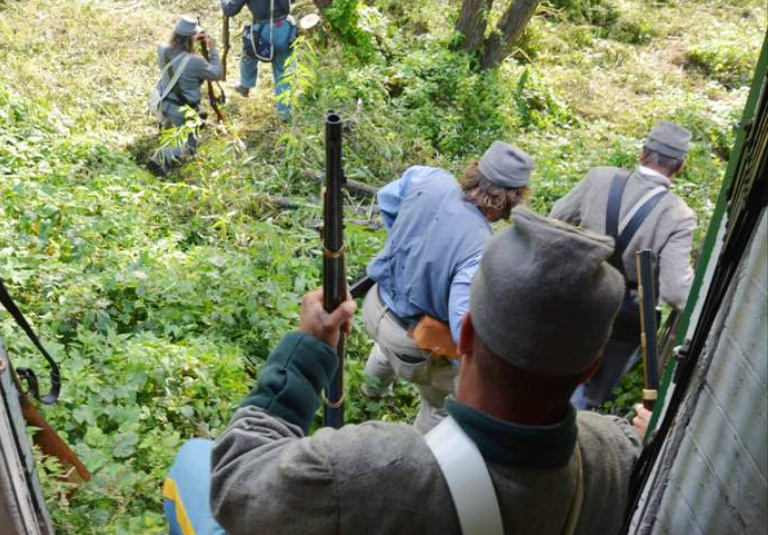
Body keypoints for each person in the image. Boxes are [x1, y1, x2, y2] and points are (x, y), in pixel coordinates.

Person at [162, 207, 644, 535]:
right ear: (590, 370)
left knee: (195, 460)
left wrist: (308, 349)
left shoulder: (366, 467)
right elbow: (628, 441)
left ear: (467, 333)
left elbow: (235, 482)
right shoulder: (619, 457)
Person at [361, 142, 533, 433]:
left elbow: (388, 200)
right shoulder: (479, 249)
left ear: (476, 170)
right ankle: (417, 455)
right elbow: (461, 330)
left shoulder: (427, 177)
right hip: (411, 341)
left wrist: (405, 247)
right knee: (445, 403)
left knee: (383, 349)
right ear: (514, 198)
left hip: (374, 305)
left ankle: (370, 394)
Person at [550, 121, 697, 410]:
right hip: (624, 316)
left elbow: (557, 219)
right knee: (587, 396)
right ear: (679, 167)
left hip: (575, 294)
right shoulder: (679, 215)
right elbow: (676, 294)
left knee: (552, 370)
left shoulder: (598, 178)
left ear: (642, 153)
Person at [148, 15, 223, 176]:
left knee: (183, 129)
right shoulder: (196, 61)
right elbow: (218, 73)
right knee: (190, 149)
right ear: (191, 38)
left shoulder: (162, 49)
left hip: (163, 102)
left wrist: (191, 38)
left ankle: (169, 138)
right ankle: (161, 156)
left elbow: (179, 55)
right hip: (182, 111)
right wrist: (213, 49)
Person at [221, 0, 296, 120]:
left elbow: (229, 10)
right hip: (284, 28)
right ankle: (284, 113)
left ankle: (245, 84)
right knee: (283, 71)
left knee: (249, 54)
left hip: (263, 29)